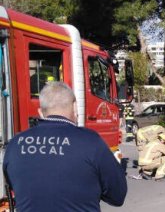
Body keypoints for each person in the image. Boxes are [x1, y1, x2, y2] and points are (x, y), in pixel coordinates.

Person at [3, 82, 127, 211]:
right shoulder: (90, 141)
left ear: (40, 112)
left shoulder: (15, 144)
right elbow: (117, 196)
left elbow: (14, 187)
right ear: (75, 107)